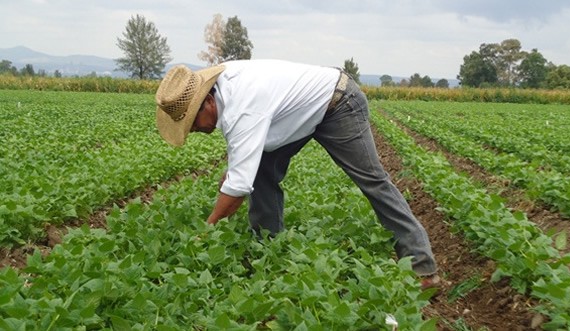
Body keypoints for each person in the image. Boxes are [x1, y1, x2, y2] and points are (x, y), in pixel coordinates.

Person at [155, 59, 440, 288]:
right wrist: (233, 170)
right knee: (261, 171)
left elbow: (239, 185)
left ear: (206, 102)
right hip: (293, 115)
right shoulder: (226, 89)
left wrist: (209, 228)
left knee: (372, 180)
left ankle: (421, 266)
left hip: (337, 102)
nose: (194, 131)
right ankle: (268, 250)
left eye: (191, 123)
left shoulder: (243, 107)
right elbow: (242, 149)